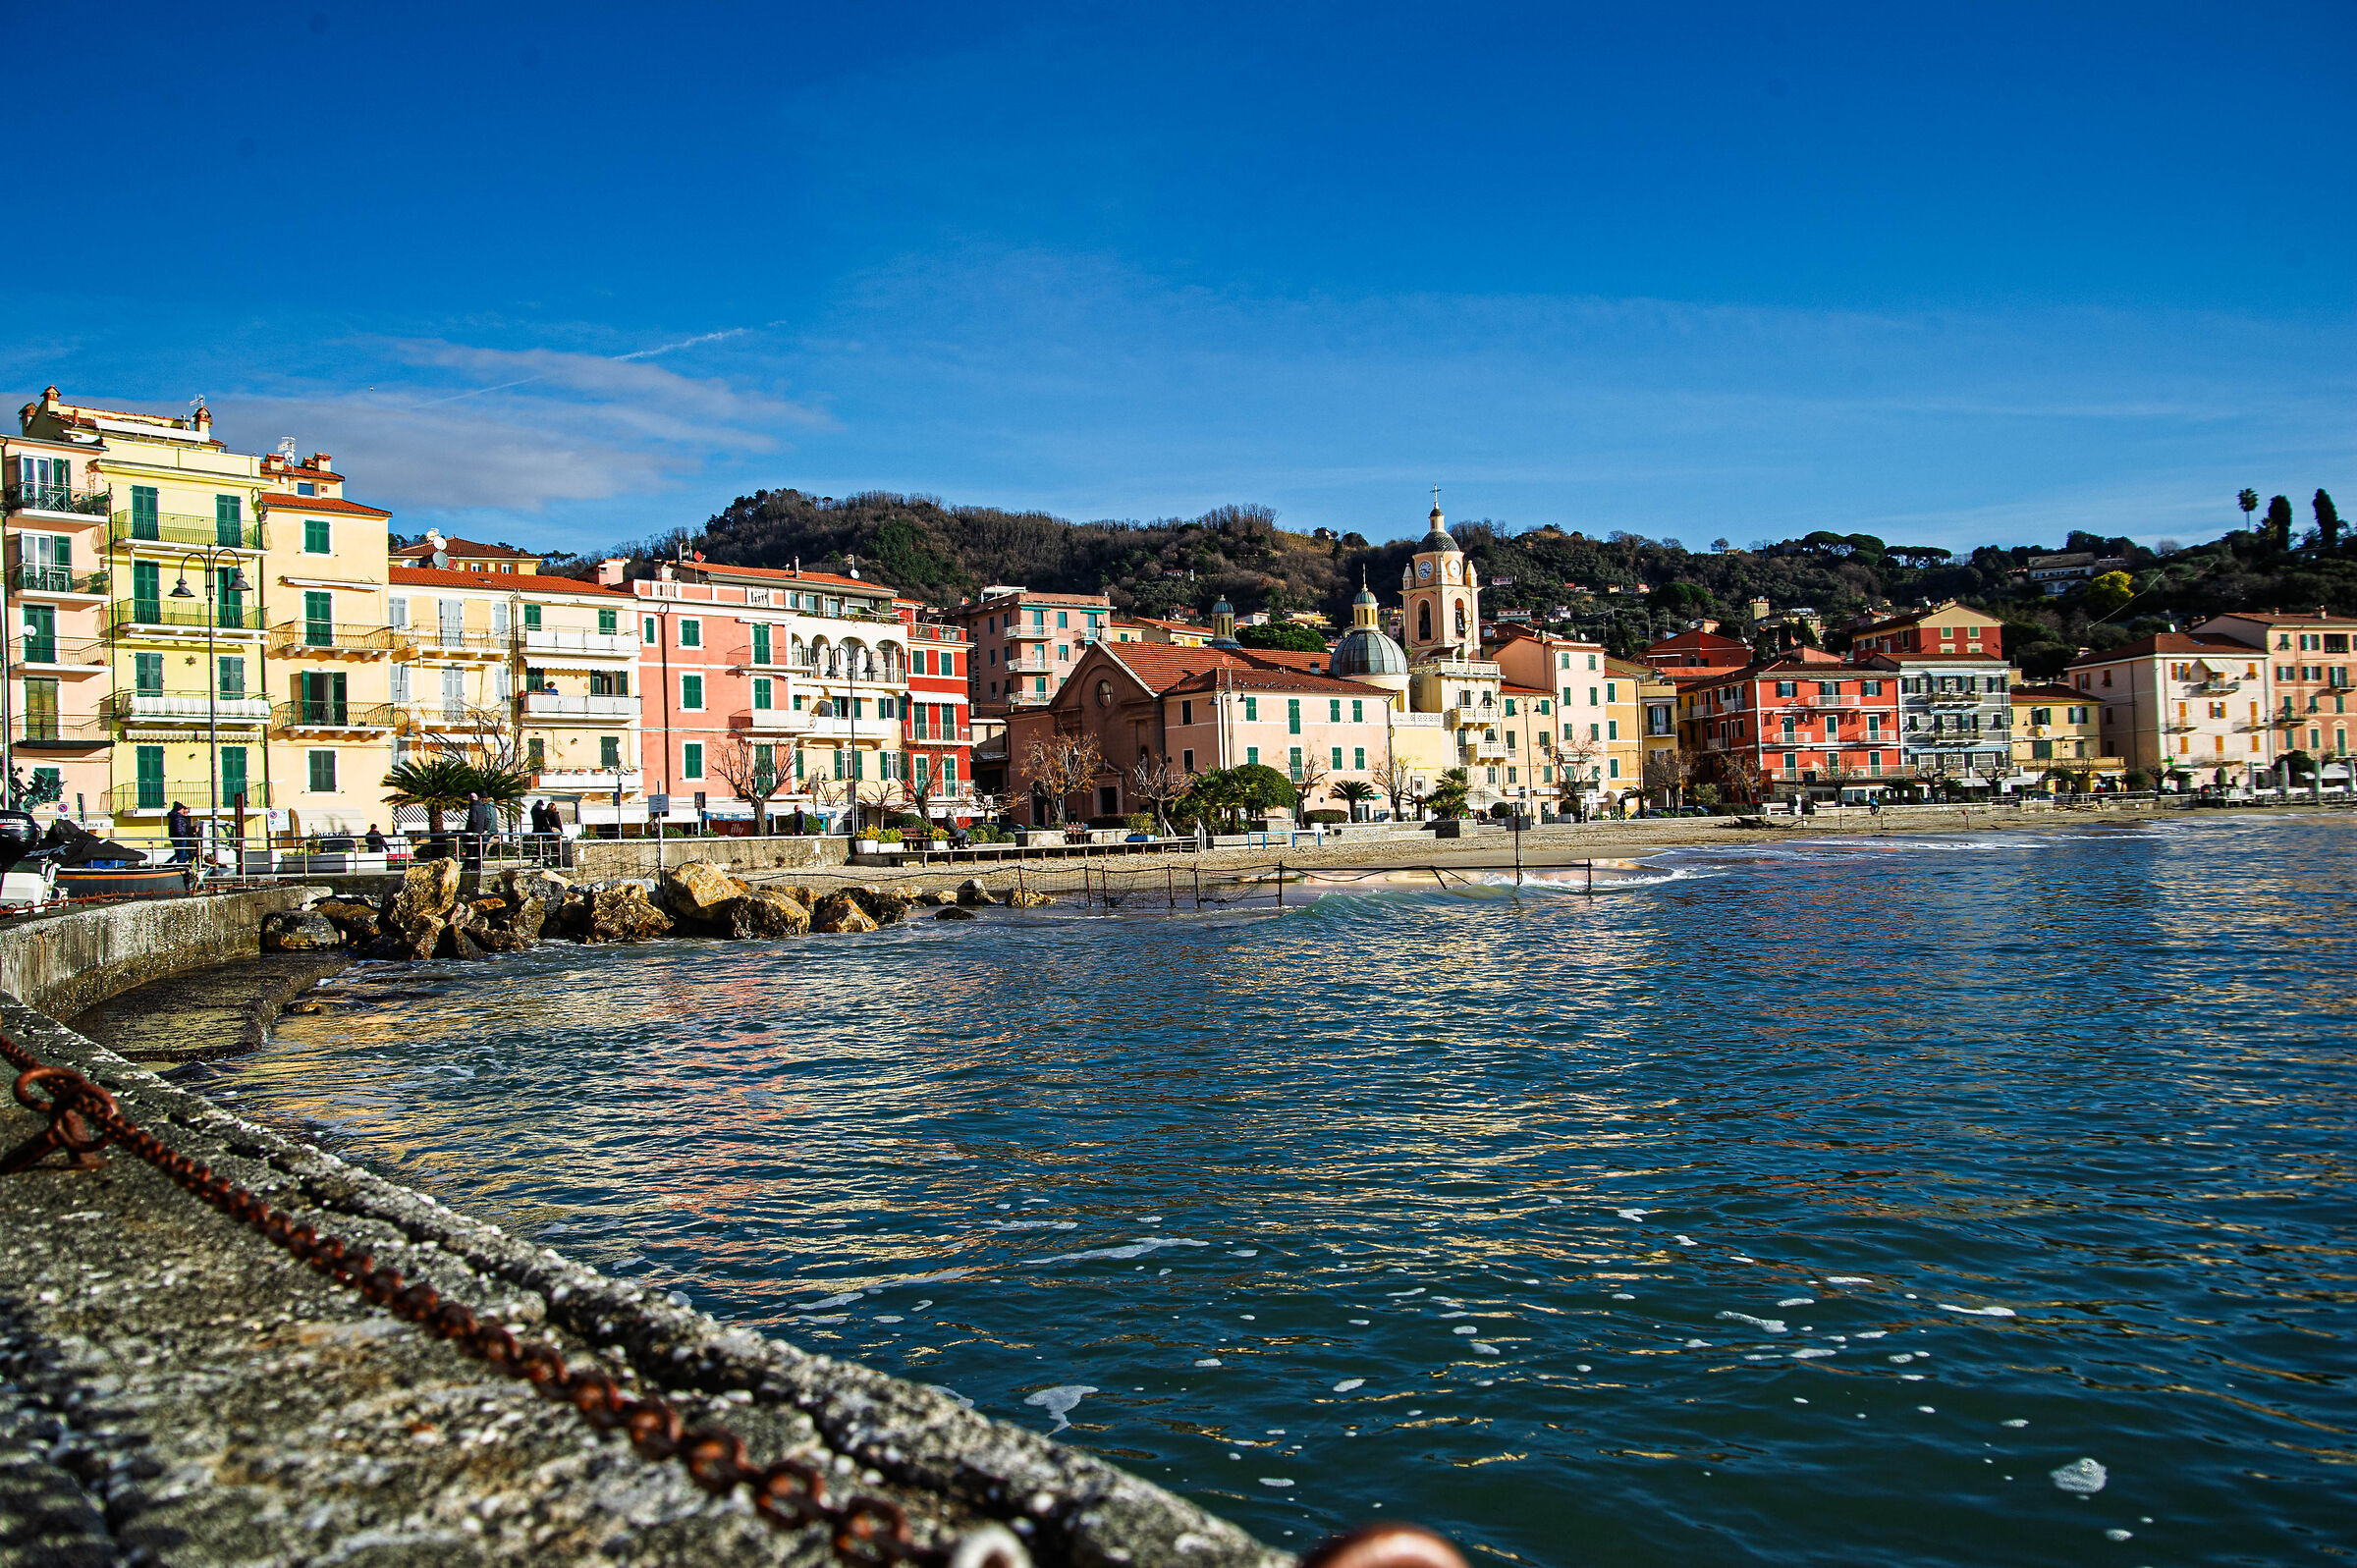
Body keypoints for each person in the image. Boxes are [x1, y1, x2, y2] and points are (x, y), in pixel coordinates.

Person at [463, 790, 494, 869]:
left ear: (470, 799)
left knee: (470, 850)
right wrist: (485, 829)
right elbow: (487, 819)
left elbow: (473, 820)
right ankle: (476, 866)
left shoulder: (473, 807)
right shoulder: (483, 807)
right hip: (481, 833)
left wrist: (469, 831)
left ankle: (468, 866)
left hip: (473, 832)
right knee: (478, 850)